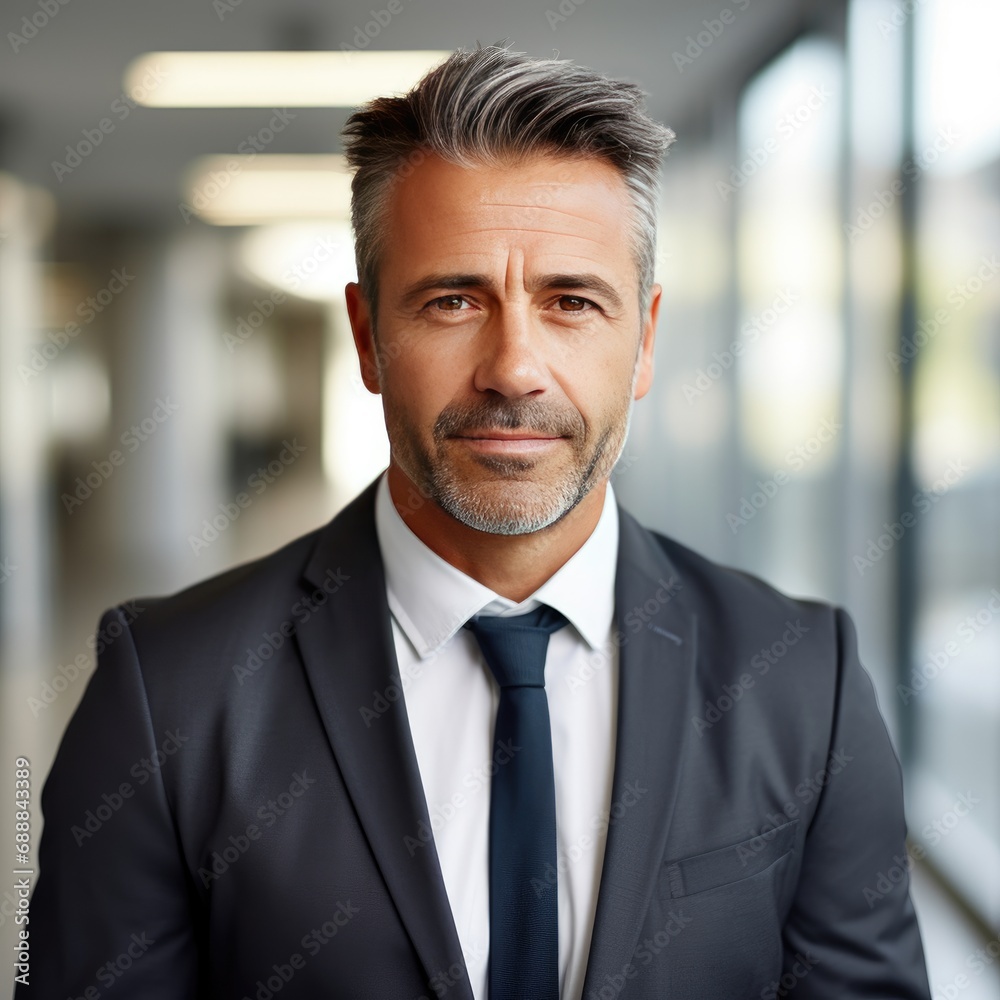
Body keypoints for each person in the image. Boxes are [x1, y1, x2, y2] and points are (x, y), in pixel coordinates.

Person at [22, 43, 931, 1000]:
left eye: (572, 302)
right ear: (369, 336)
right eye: (454, 300)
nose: (514, 367)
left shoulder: (801, 678)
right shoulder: (166, 692)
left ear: (647, 340)